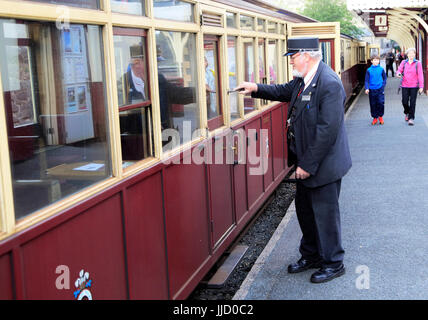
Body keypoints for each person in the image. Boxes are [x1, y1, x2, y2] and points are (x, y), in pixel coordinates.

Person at [235, 37, 352, 284]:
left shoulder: (329, 84)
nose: (290, 63)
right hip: (305, 163)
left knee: (325, 215)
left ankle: (333, 262)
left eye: (292, 58)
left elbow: (327, 131)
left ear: (305, 56)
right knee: (306, 212)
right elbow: (281, 91)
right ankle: (311, 256)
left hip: (323, 166)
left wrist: (307, 166)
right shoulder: (302, 80)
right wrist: (255, 88)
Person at [396, 48, 424, 126]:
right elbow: (399, 70)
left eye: (413, 53)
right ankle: (407, 112)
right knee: (404, 101)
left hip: (414, 86)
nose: (411, 55)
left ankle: (411, 118)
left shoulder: (418, 63)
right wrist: (398, 73)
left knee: (412, 102)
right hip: (405, 85)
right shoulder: (403, 62)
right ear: (407, 55)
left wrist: (421, 86)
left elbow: (420, 75)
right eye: (410, 53)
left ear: (415, 54)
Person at [364, 54, 386, 125]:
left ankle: (380, 116)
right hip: (372, 89)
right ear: (371, 61)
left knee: (380, 103)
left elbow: (385, 78)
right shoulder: (369, 70)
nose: (376, 61)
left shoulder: (381, 69)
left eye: (377, 60)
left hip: (380, 89)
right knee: (373, 104)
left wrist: (382, 86)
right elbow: (366, 80)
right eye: (375, 60)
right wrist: (367, 88)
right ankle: (375, 118)